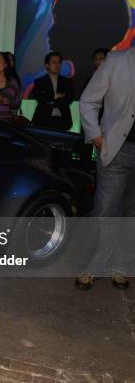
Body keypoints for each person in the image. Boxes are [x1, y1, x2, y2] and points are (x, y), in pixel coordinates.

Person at [76, 46, 135, 291]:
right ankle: (93, 265)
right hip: (117, 150)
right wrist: (97, 138)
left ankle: (121, 267)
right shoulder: (117, 61)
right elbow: (88, 101)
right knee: (106, 210)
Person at [30, 52, 74, 130]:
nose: (57, 65)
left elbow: (70, 98)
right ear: (47, 65)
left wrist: (49, 97)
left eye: (59, 62)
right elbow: (39, 97)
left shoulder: (67, 81)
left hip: (63, 119)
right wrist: (56, 96)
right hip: (43, 119)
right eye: (54, 62)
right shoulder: (39, 81)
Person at [0, 52, 21, 118]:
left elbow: (17, 104)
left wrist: (9, 101)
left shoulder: (13, 82)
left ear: (6, 65)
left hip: (6, 122)